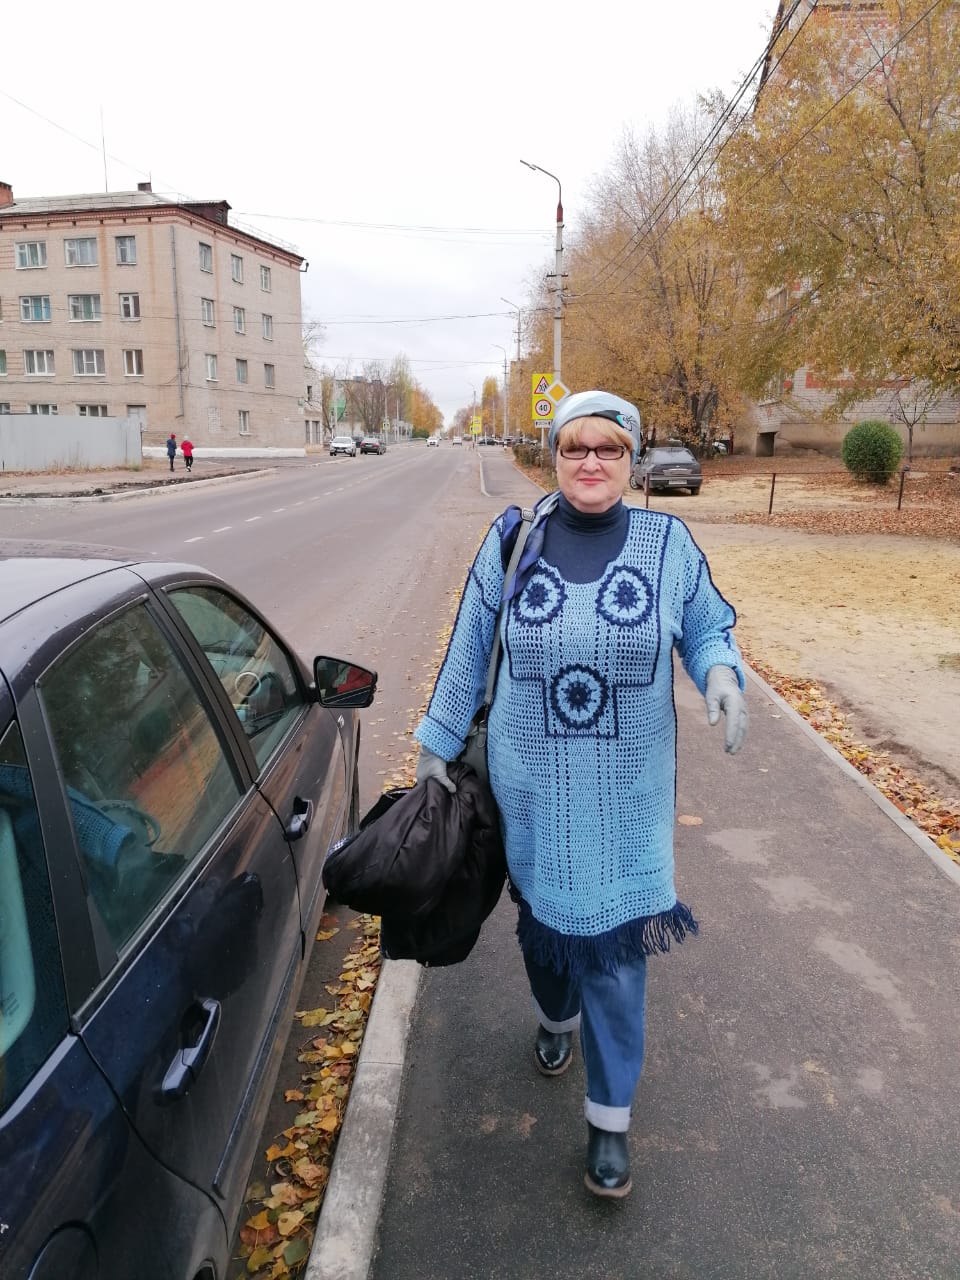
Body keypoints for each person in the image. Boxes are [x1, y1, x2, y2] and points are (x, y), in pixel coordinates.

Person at [414, 389, 747, 1199]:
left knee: (617, 953)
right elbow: (470, 647)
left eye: (609, 448)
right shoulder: (512, 539)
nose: (591, 461)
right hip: (531, 792)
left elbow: (706, 624)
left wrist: (721, 674)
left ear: (632, 460)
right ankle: (554, 1017)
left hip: (629, 796)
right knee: (546, 934)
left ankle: (609, 1121)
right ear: (555, 454)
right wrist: (435, 743)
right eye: (576, 447)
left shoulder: (668, 545)